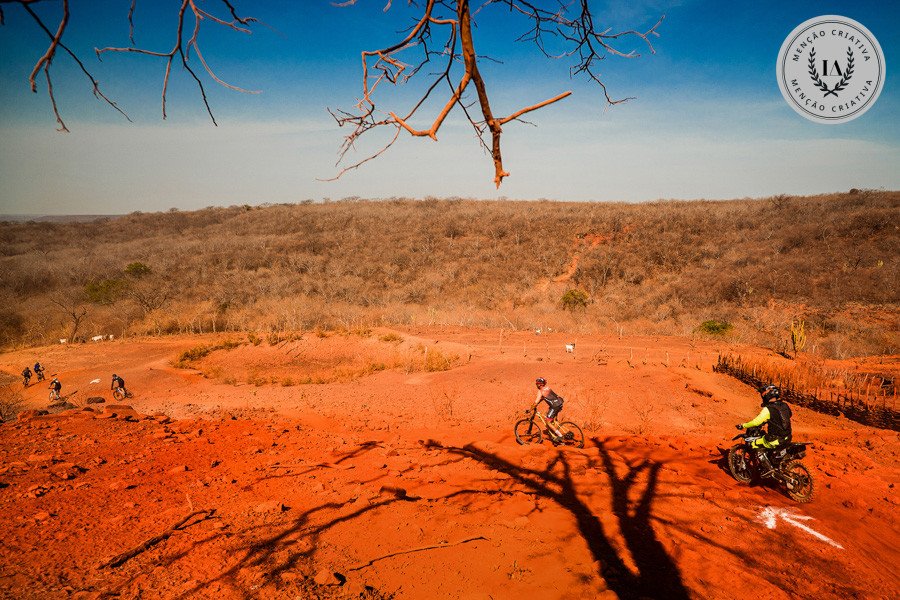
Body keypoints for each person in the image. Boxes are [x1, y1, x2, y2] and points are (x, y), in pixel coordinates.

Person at [736, 385, 792, 475]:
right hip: (787, 437)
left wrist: (743, 425)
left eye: (763, 394)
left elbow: (756, 422)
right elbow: (788, 415)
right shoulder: (785, 405)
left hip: (775, 439)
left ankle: (769, 469)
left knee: (754, 443)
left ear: (767, 395)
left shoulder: (768, 409)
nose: (762, 396)